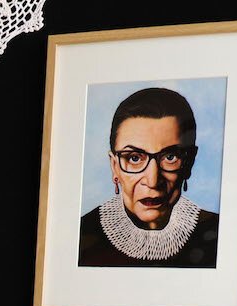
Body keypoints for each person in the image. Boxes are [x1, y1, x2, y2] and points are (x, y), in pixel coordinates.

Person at [78, 87, 220, 268]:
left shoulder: (218, 235)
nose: (152, 181)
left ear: (189, 163)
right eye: (134, 158)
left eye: (170, 157)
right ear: (115, 167)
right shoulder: (79, 237)